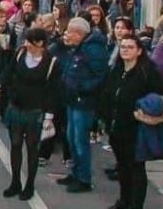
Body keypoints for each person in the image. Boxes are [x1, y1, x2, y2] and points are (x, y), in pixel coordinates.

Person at [0, 27, 58, 201]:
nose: (26, 44)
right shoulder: (21, 53)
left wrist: (49, 116)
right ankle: (15, 182)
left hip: (35, 110)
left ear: (40, 43)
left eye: (30, 41)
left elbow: (52, 91)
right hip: (16, 106)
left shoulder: (51, 62)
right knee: (15, 144)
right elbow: (8, 71)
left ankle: (29, 184)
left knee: (32, 148)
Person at [100, 34, 163, 209]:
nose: (125, 50)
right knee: (122, 167)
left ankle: (135, 205)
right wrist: (103, 119)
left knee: (136, 169)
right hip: (116, 127)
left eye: (130, 47)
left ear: (139, 51)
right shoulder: (117, 70)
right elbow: (107, 94)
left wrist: (146, 114)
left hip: (137, 129)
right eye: (123, 47)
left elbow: (161, 98)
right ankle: (124, 201)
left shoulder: (147, 72)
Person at [57, 17, 109, 193]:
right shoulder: (80, 47)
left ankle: (84, 178)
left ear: (79, 33)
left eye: (69, 32)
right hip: (72, 100)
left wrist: (81, 88)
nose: (66, 35)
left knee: (80, 140)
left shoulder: (93, 49)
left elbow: (100, 76)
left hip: (83, 102)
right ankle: (75, 172)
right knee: (71, 138)